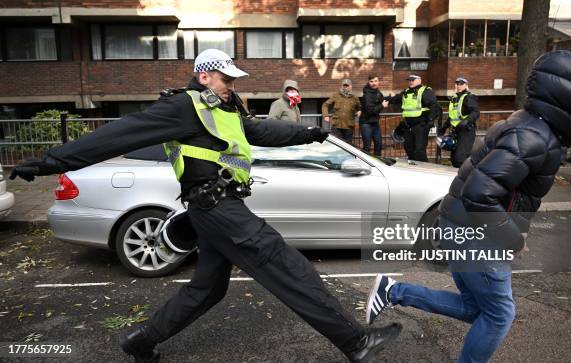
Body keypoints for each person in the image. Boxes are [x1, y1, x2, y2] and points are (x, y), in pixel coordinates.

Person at [10, 49, 402, 363]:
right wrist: (52, 161)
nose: (232, 85)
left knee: (206, 290)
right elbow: (119, 134)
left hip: (214, 210)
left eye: (233, 79)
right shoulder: (183, 107)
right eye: (226, 78)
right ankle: (355, 342)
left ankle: (140, 341)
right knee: (288, 266)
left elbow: (258, 130)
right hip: (218, 210)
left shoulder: (223, 109)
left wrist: (310, 133)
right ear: (204, 75)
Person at [365, 51, 571, 362]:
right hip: (474, 234)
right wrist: (514, 238)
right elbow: (481, 194)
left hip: (460, 226)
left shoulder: (529, 124)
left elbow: (504, 191)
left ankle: (393, 291)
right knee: (499, 316)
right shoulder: (534, 136)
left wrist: (514, 231)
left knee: (476, 309)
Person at [385, 75, 441, 161]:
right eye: (409, 80)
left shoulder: (425, 91)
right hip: (408, 125)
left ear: (419, 80)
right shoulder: (406, 92)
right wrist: (386, 99)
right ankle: (413, 168)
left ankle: (424, 169)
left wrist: (430, 120)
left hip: (421, 125)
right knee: (409, 148)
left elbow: (435, 106)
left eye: (413, 80)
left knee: (419, 150)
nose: (410, 81)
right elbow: (396, 99)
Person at [438, 77, 480, 168]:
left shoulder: (469, 97)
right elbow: (452, 117)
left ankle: (466, 178)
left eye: (461, 84)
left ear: (466, 85)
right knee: (454, 159)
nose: (459, 86)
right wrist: (444, 128)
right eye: (457, 84)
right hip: (456, 131)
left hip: (466, 131)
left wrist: (466, 121)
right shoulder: (454, 98)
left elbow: (475, 112)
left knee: (459, 159)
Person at [322, 79, 362, 143]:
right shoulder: (336, 95)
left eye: (347, 85)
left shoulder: (355, 98)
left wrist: (359, 111)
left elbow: (359, 108)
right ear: (342, 86)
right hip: (336, 126)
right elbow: (325, 105)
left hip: (348, 126)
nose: (345, 87)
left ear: (351, 86)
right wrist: (325, 115)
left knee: (348, 146)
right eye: (344, 85)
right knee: (336, 145)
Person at [359, 75, 385, 156]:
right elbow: (370, 110)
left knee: (379, 145)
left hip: (374, 122)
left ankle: (378, 164)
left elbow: (382, 100)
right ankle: (364, 165)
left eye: (375, 81)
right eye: (371, 81)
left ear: (378, 82)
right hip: (366, 123)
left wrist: (392, 97)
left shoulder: (377, 92)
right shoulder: (367, 94)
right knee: (367, 147)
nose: (374, 83)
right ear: (369, 82)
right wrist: (382, 106)